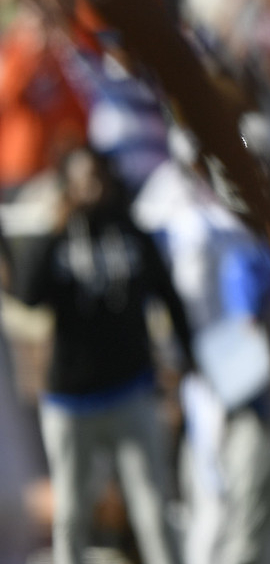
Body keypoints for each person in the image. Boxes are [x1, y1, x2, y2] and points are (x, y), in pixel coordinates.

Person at [18, 144, 191, 564]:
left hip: (130, 390)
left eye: (97, 178)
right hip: (71, 401)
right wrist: (55, 230)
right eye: (81, 180)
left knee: (151, 505)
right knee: (73, 512)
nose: (91, 188)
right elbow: (29, 295)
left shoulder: (131, 233)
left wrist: (186, 355)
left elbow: (167, 295)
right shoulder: (59, 237)